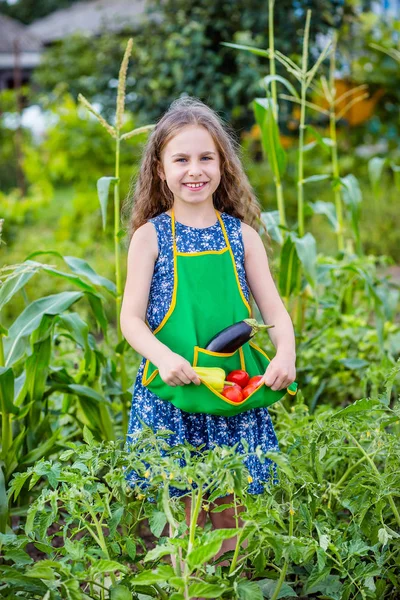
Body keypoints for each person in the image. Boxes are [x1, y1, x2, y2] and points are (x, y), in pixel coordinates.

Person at [120, 96, 296, 567]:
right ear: (160, 169)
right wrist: (162, 357)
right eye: (181, 159)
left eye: (206, 157)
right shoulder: (150, 237)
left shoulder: (242, 236)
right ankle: (191, 590)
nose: (193, 170)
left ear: (223, 165)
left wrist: (285, 355)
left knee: (231, 512)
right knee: (184, 518)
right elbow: (130, 320)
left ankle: (225, 583)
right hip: (172, 392)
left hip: (232, 392)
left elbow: (275, 311)